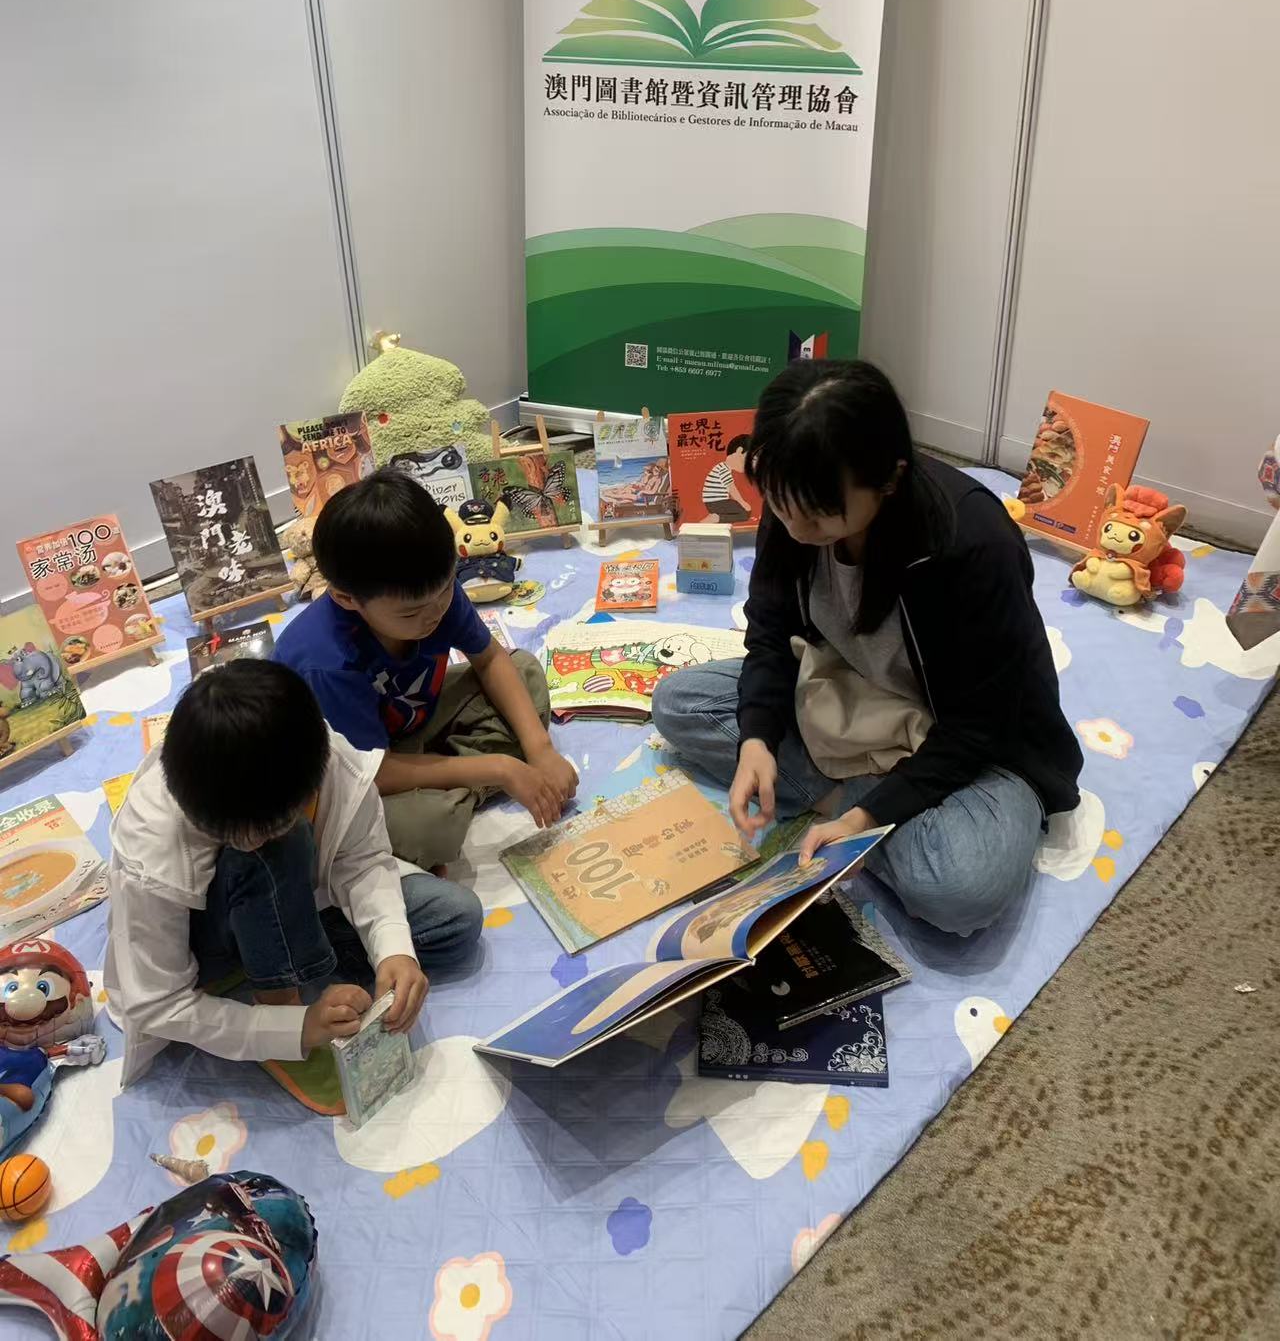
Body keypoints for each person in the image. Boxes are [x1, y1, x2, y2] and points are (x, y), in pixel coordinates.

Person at [652, 359, 1082, 936]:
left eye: (818, 516)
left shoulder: (970, 543)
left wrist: (866, 815)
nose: (795, 527)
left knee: (958, 889)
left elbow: (984, 724)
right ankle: (860, 802)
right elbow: (770, 633)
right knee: (678, 702)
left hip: (966, 737)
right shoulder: (794, 496)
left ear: (890, 478)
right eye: (779, 502)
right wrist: (756, 739)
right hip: (852, 697)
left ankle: (847, 801)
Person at [105, 661, 482, 1087]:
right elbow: (158, 1004)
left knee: (456, 919)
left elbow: (363, 860)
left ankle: (292, 969)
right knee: (273, 852)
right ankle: (280, 998)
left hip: (294, 902)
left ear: (315, 780)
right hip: (208, 947)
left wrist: (394, 951)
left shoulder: (320, 757)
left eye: (271, 824)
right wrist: (295, 1028)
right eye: (227, 834)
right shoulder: (151, 844)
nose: (249, 841)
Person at [275, 468, 577, 870]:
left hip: (409, 727)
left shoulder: (431, 590)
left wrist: (541, 750)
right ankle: (464, 782)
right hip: (350, 774)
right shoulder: (326, 663)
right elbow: (374, 772)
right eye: (411, 613)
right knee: (430, 829)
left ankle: (454, 781)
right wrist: (501, 768)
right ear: (346, 598)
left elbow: (490, 658)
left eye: (447, 589)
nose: (435, 614)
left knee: (524, 671)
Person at [702, 434, 754, 523]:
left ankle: (717, 517)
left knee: (744, 512)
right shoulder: (723, 469)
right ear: (739, 451)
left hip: (715, 502)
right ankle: (716, 518)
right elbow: (731, 488)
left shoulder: (722, 467)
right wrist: (742, 502)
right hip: (716, 502)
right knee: (745, 513)